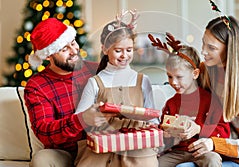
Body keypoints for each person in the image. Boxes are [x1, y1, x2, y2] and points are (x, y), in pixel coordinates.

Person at [24, 18, 115, 167]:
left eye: (73, 43)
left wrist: (122, 34)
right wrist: (81, 120)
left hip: (99, 145)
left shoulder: (95, 69)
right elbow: (44, 132)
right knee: (41, 160)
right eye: (64, 49)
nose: (74, 51)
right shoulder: (36, 86)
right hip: (65, 152)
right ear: (48, 56)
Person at [74, 10, 159, 167]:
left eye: (129, 50)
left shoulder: (142, 81)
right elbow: (80, 120)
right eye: (118, 50)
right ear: (105, 49)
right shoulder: (95, 82)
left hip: (137, 149)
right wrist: (93, 117)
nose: (124, 56)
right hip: (102, 149)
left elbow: (153, 118)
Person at [187, 16, 239, 167]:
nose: (203, 52)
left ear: (230, 49)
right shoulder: (206, 72)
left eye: (211, 48)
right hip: (210, 150)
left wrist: (214, 144)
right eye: (203, 44)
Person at [148, 33, 230, 167]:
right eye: (169, 76)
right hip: (177, 153)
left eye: (179, 77)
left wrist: (198, 129)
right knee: (153, 164)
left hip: (202, 150)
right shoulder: (171, 104)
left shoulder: (211, 101)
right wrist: (166, 136)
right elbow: (163, 136)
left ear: (195, 74)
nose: (173, 82)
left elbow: (224, 131)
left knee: (212, 159)